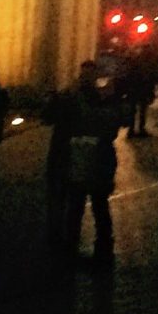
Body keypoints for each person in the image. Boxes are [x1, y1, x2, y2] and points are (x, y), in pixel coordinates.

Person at [61, 60, 121, 265]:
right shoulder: (75, 98)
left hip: (94, 160)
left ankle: (85, 249)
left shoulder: (86, 99)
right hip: (88, 159)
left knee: (89, 207)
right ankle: (92, 249)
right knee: (90, 207)